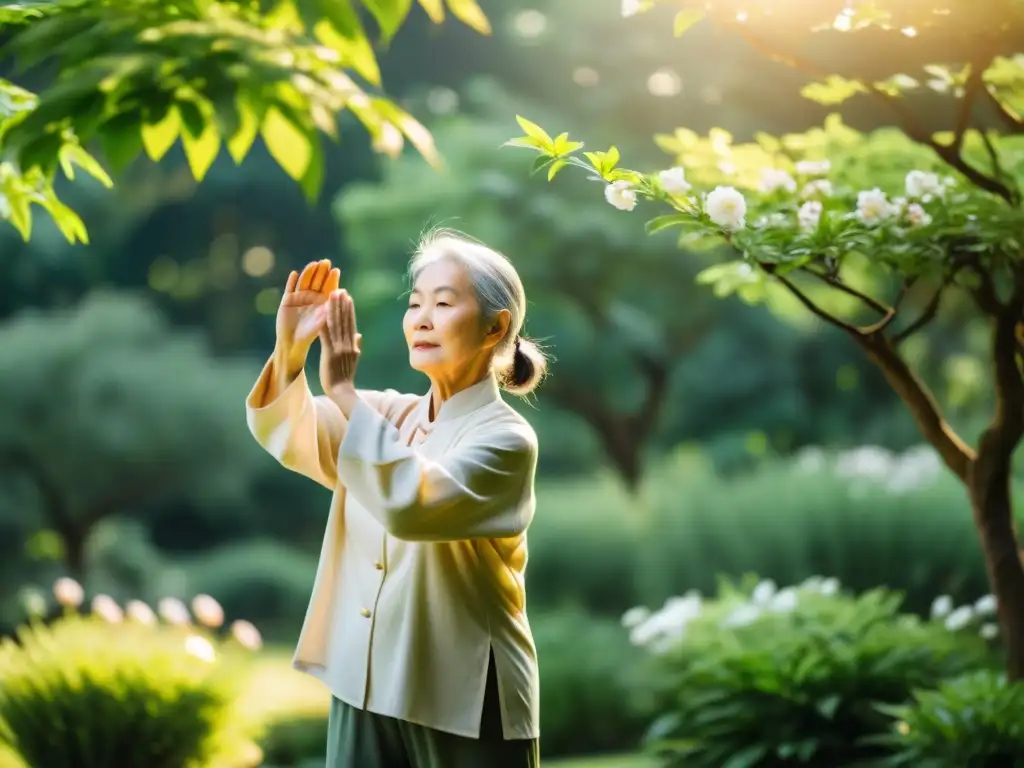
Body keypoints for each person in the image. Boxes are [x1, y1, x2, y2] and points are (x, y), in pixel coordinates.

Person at [245, 229, 547, 768]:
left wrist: (343, 391)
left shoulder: (506, 439)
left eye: (444, 304)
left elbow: (413, 506)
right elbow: (292, 434)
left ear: (495, 327)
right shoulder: (388, 413)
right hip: (360, 684)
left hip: (464, 697)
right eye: (415, 304)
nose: (422, 319)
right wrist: (290, 350)